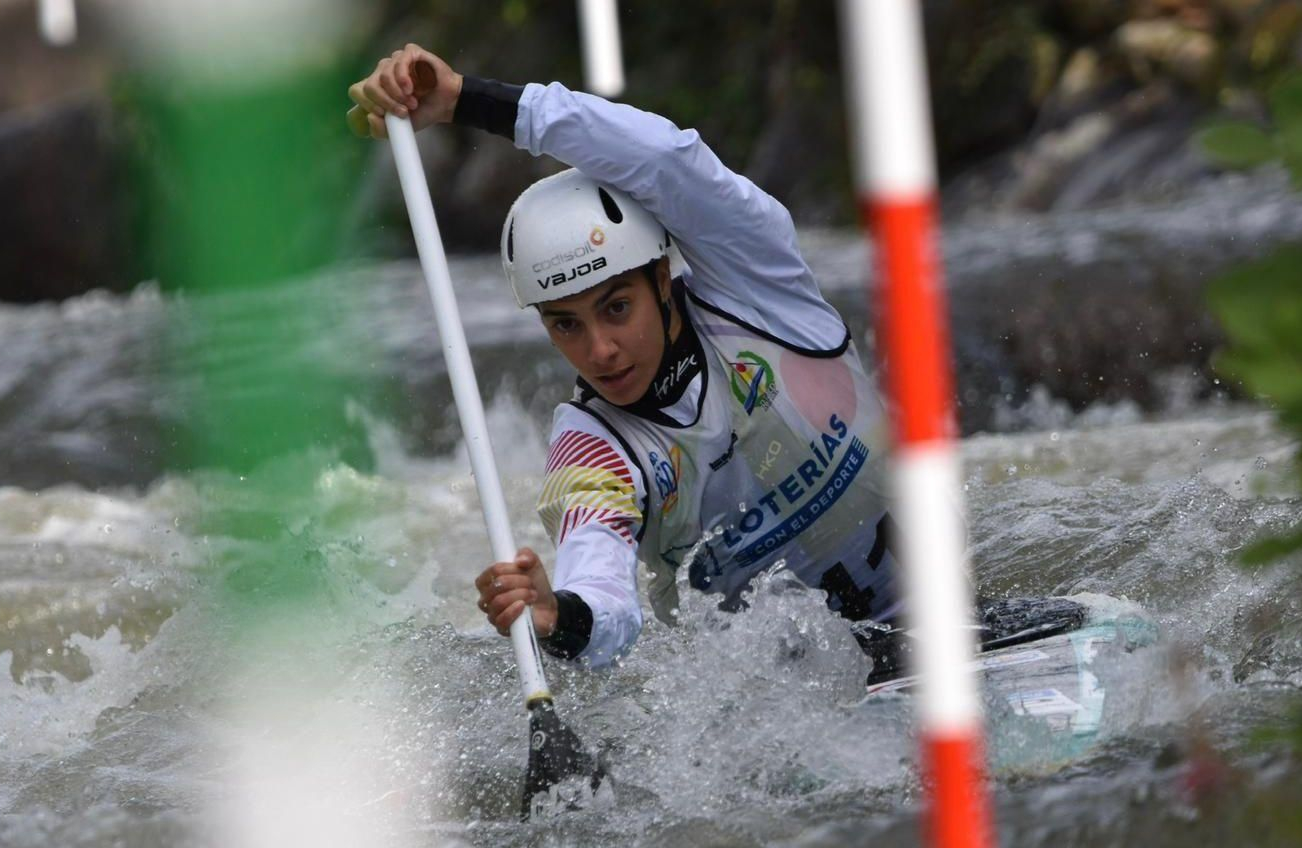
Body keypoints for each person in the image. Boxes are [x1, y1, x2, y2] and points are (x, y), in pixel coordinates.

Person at [349, 45, 905, 682]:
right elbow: (604, 594)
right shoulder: (592, 448)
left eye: (616, 308)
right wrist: (560, 613)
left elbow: (667, 160)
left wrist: (468, 100)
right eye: (566, 324)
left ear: (662, 278)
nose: (599, 351)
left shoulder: (763, 292)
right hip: (802, 702)